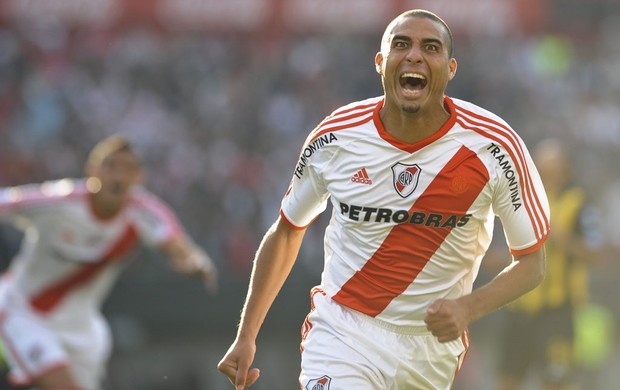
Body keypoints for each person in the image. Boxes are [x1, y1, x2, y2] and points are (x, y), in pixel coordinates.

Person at [218, 9, 550, 390]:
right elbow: (288, 232)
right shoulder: (336, 137)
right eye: (401, 44)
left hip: (429, 348)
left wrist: (466, 308)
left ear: (451, 67)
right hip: (343, 329)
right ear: (380, 62)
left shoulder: (495, 146)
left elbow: (532, 263)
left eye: (431, 47)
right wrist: (247, 334)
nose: (414, 56)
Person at [0, 134, 218, 390]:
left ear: (139, 178)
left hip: (82, 328)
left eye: (128, 169)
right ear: (92, 171)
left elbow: (178, 245)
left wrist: (196, 263)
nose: (118, 176)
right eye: (110, 166)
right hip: (24, 313)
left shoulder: (144, 213)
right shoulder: (58, 202)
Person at [496, 138, 604, 390]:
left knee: (556, 382)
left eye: (550, 165)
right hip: (518, 306)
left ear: (565, 168)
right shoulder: (521, 197)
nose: (543, 171)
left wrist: (557, 236)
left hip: (558, 310)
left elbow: (595, 253)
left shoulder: (579, 202)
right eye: (540, 165)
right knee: (508, 379)